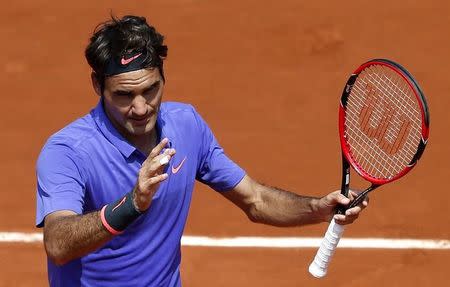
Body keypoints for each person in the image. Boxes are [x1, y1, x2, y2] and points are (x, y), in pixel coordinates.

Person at [35, 15, 368, 287]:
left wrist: (317, 208)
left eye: (151, 90)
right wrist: (133, 203)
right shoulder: (68, 152)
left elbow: (255, 200)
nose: (140, 108)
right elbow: (58, 244)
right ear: (98, 86)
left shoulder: (186, 126)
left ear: (163, 77)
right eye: (124, 95)